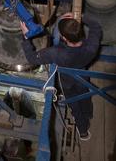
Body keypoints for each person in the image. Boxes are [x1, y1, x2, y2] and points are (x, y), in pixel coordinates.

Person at [20, 12, 102, 140]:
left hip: (66, 82)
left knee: (74, 105)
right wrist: (80, 16)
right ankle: (89, 114)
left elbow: (31, 58)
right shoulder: (92, 46)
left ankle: (84, 131)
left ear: (63, 38)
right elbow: (96, 26)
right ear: (80, 32)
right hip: (82, 77)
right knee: (85, 95)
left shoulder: (55, 53)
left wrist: (25, 37)